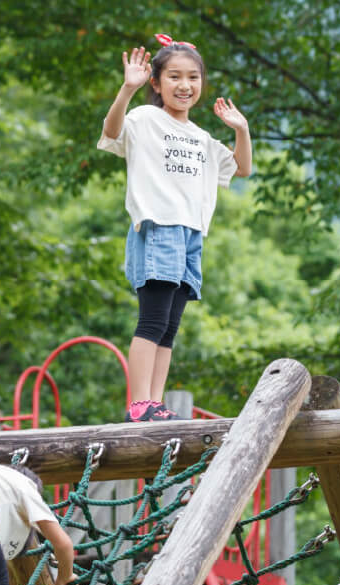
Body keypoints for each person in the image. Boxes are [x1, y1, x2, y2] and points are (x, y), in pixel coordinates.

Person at [98, 33, 252, 422]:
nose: (185, 86)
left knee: (169, 325)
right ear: (156, 82)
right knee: (151, 320)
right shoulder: (145, 119)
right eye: (174, 77)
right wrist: (126, 89)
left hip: (190, 234)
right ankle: (139, 403)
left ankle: (156, 402)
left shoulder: (202, 139)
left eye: (193, 78)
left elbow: (242, 168)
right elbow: (112, 132)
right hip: (158, 227)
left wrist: (241, 130)